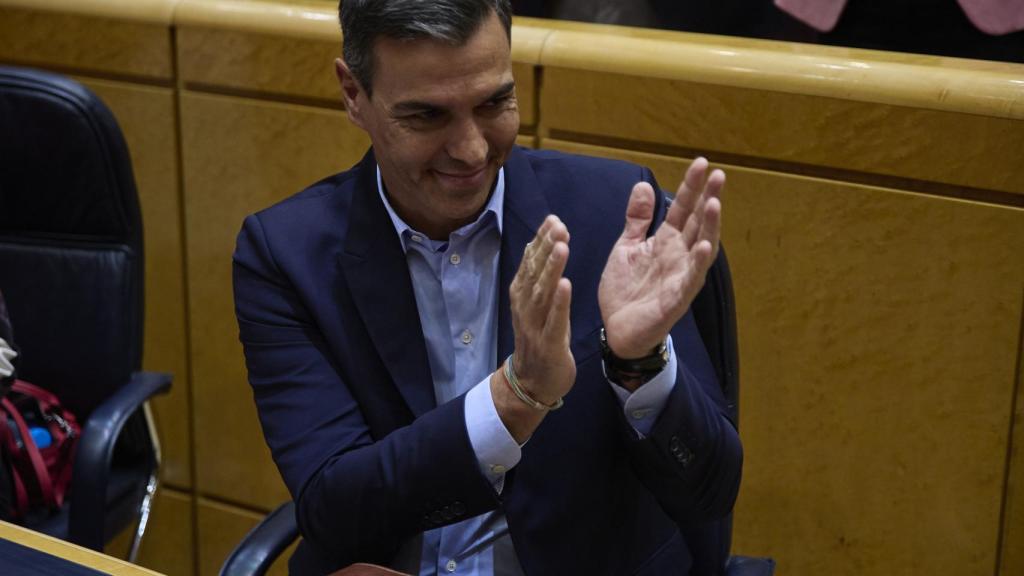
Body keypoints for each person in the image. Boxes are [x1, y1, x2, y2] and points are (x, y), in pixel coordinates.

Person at [232, 1, 742, 574]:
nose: (473, 150)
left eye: (494, 102)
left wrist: (639, 364)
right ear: (354, 95)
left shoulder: (612, 214)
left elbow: (711, 494)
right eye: (426, 116)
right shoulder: (285, 254)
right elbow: (334, 508)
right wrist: (516, 396)